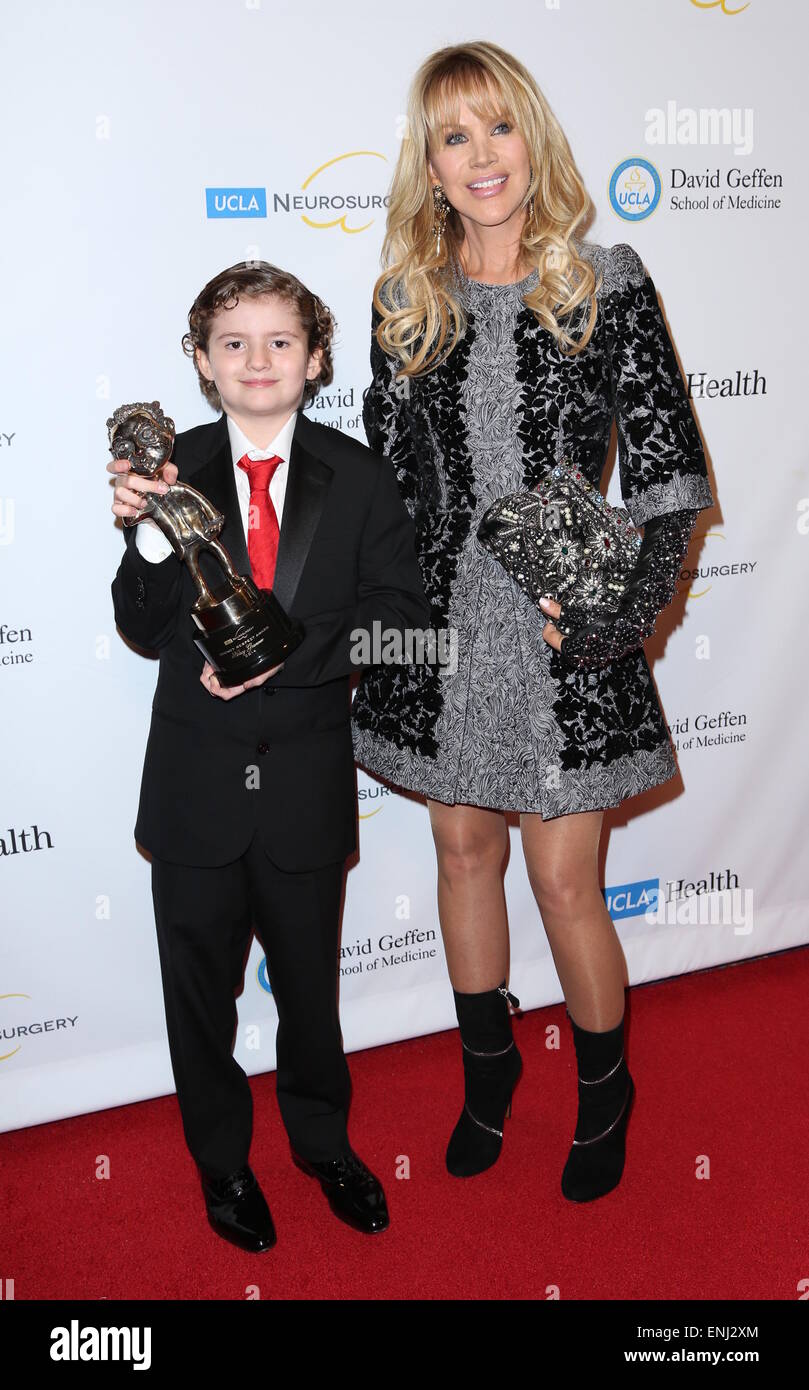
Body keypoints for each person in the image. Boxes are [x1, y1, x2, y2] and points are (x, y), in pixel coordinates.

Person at [351, 42, 715, 1201]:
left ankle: (605, 1091)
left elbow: (667, 477)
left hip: (571, 633)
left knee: (565, 886)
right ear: (429, 163)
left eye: (497, 127)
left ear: (531, 140)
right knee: (461, 851)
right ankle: (489, 1068)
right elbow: (387, 490)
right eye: (452, 136)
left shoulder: (601, 279)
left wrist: (618, 623)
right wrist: (375, 638)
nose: (480, 156)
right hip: (444, 634)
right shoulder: (403, 303)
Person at [109, 261, 430, 1251]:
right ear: (202, 362)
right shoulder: (171, 471)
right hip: (195, 786)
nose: (258, 359)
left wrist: (278, 659)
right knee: (197, 994)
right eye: (234, 343)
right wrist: (151, 541)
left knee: (309, 989)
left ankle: (322, 1144)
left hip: (301, 781)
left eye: (279, 341)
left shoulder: (360, 475)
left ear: (315, 357)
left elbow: (405, 628)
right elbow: (135, 624)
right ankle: (222, 1165)